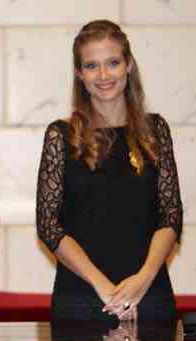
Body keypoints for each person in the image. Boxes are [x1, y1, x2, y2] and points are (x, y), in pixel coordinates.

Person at [36, 20, 183, 323]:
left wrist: (143, 279)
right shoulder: (60, 136)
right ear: (80, 74)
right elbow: (49, 225)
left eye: (113, 63)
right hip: (81, 299)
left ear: (128, 65)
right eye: (92, 66)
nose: (103, 75)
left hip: (149, 295)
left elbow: (171, 215)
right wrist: (104, 287)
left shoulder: (156, 130)